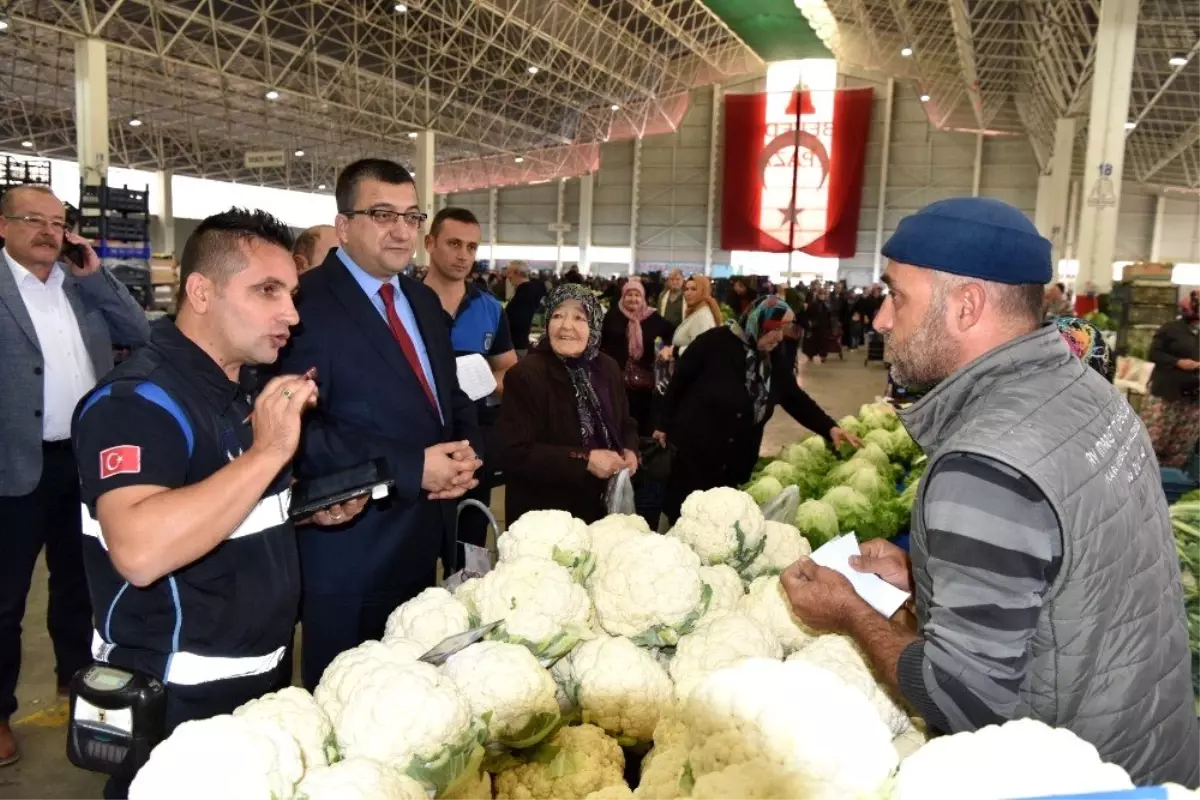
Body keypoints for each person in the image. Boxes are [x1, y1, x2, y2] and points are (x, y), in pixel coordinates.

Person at [781, 196, 1200, 785]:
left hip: (1070, 778)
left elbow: (960, 699)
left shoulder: (985, 460)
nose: (879, 320)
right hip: (1149, 748)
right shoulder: (1087, 391)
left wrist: (849, 611)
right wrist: (930, 574)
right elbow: (1071, 568)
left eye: (897, 295)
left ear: (967, 306)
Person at [71, 209, 366, 799]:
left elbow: (219, 507)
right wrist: (269, 452)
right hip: (177, 707)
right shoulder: (136, 402)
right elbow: (139, 548)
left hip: (252, 691)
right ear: (201, 291)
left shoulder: (235, 390)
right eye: (267, 291)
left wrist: (298, 507)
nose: (291, 313)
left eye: (292, 292)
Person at [279, 159, 482, 691]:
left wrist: (468, 453)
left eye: (411, 216)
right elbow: (294, 429)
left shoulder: (420, 299)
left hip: (424, 538)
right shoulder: (304, 306)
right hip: (351, 550)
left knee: (414, 693)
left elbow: (447, 397)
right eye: (382, 213)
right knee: (348, 702)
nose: (401, 230)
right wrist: (412, 467)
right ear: (344, 226)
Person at [0, 184, 150, 767]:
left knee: (80, 583)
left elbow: (139, 332)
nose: (48, 231)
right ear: (4, 225)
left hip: (83, 459)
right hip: (13, 463)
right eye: (33, 219)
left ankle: (73, 678)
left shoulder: (79, 286)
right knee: (5, 598)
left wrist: (94, 276)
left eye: (58, 222)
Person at [654, 296, 861, 523]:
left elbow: (794, 398)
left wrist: (829, 428)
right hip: (696, 456)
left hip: (738, 462)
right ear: (758, 321)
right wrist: (663, 425)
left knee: (725, 526)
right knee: (686, 520)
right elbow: (678, 384)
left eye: (784, 329)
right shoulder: (712, 343)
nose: (780, 336)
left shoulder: (773, 358)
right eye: (775, 329)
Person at [497, 285, 639, 524]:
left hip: (600, 510)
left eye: (579, 318)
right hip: (546, 516)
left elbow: (625, 422)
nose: (566, 326)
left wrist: (630, 449)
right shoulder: (526, 374)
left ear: (593, 324)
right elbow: (514, 452)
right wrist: (585, 459)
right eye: (557, 315)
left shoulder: (608, 368)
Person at [421, 206, 516, 555]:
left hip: (474, 446)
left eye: (472, 247)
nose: (463, 255)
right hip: (420, 443)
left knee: (471, 550)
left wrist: (484, 380)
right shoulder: (404, 304)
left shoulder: (490, 308)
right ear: (430, 243)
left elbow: (510, 371)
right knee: (416, 552)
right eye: (454, 243)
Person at [600, 280, 675, 437]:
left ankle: (639, 452)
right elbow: (600, 341)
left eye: (637, 295)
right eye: (629, 295)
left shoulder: (652, 318)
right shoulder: (612, 316)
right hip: (615, 378)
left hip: (643, 381)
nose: (633, 299)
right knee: (616, 416)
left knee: (641, 419)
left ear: (643, 298)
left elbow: (671, 334)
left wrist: (668, 348)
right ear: (623, 296)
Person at [1142, 291, 1200, 468]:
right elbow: (1153, 353)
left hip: (1193, 400)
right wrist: (1178, 362)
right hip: (1166, 395)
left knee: (1180, 447)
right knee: (1154, 441)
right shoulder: (1171, 328)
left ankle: (1169, 484)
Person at [660, 275, 721, 360]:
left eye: (694, 289)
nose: (688, 293)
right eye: (686, 289)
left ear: (703, 291)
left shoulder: (702, 316)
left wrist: (673, 351)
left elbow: (700, 349)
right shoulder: (695, 311)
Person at [505, 260, 546, 357]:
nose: (508, 276)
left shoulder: (525, 294)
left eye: (509, 272)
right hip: (517, 343)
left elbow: (519, 321)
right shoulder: (527, 290)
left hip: (516, 345)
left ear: (517, 273)